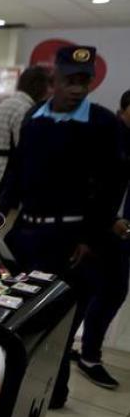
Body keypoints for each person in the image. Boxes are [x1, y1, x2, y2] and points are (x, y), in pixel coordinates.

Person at [0, 46, 125, 409]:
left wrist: (91, 237)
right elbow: (18, 169)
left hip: (70, 242)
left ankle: (54, 391)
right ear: (54, 80)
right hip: (27, 236)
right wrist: (1, 210)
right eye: (70, 80)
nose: (77, 88)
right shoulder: (34, 117)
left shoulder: (102, 123)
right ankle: (17, 384)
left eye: (84, 81)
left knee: (60, 324)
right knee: (19, 313)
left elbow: (112, 185)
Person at [73, 89, 130, 388]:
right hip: (100, 232)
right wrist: (110, 222)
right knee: (102, 291)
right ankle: (88, 356)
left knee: (103, 292)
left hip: (111, 231)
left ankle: (83, 352)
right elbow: (93, 187)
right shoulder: (110, 136)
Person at [0, 66, 52, 178]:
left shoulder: (3, 104)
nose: (50, 92)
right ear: (39, 87)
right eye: (48, 86)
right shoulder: (24, 109)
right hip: (7, 176)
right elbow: (26, 150)